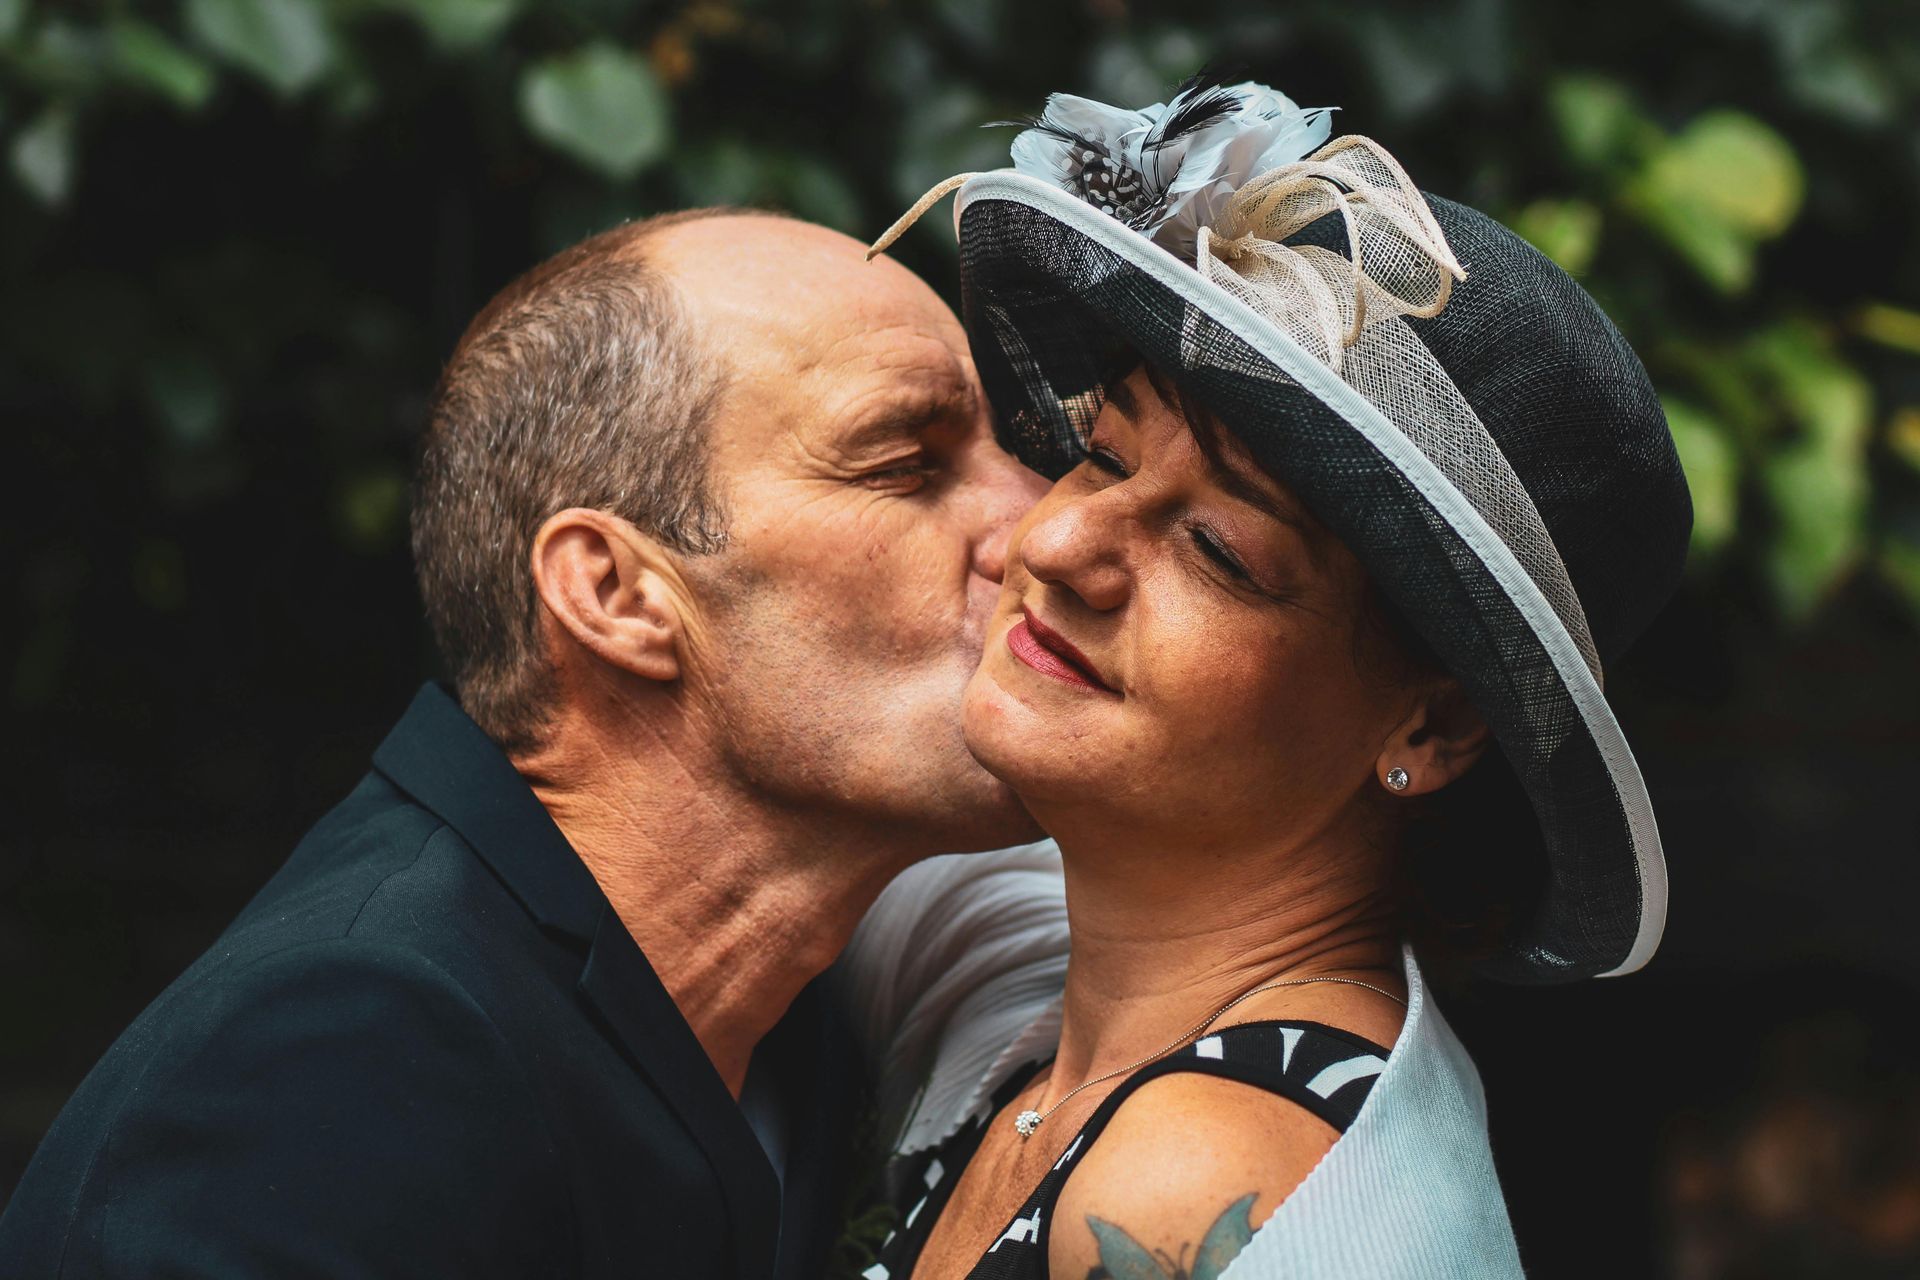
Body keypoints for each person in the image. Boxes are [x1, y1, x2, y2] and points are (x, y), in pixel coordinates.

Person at [0, 208, 1050, 1278]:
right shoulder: (341, 1056)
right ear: (618, 594)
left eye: (1019, 455)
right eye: (908, 463)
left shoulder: (788, 1008)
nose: (1048, 525)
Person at [850, 76, 1692, 1278]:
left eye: (1216, 552)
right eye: (1098, 457)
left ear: (1434, 720)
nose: (1053, 544)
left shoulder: (1197, 1175)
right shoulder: (1089, 1040)